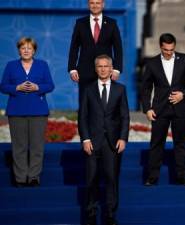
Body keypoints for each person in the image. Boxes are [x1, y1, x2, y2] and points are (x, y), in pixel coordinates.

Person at [140, 33, 185, 186]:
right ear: (161, 47)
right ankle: (152, 177)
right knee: (156, 143)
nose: (169, 52)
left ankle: (182, 177)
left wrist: (183, 94)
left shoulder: (184, 59)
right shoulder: (152, 63)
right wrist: (147, 109)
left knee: (180, 143)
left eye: (172, 49)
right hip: (159, 109)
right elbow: (145, 88)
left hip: (181, 109)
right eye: (166, 50)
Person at [78, 54, 129, 225]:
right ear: (95, 68)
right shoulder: (88, 89)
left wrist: (123, 138)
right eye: (100, 66)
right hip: (92, 141)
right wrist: (85, 139)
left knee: (111, 179)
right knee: (91, 179)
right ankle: (91, 214)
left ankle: (110, 214)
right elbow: (83, 116)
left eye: (106, 66)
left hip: (112, 142)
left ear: (111, 68)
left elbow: (125, 117)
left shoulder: (120, 89)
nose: (103, 69)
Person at [0, 37, 55, 187]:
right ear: (19, 50)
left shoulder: (42, 65)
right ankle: (20, 178)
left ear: (34, 50)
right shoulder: (11, 66)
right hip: (16, 111)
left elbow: (50, 85)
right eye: (23, 48)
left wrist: (38, 88)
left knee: (37, 146)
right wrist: (16, 88)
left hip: (38, 111)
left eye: (29, 48)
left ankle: (33, 177)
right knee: (19, 146)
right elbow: (3, 86)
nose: (26, 50)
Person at [68, 0, 123, 101]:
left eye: (98, 3)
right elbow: (74, 47)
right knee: (85, 103)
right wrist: (72, 68)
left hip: (105, 70)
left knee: (104, 102)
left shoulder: (112, 23)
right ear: (88, 5)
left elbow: (118, 48)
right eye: (92, 3)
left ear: (103, 5)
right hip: (84, 71)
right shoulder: (80, 23)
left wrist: (117, 69)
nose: (95, 5)